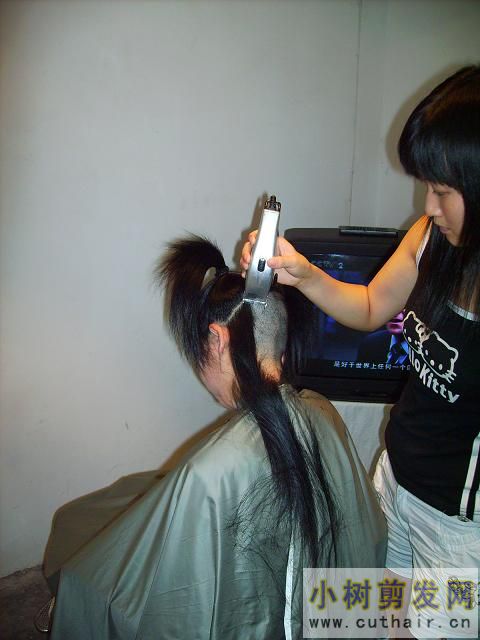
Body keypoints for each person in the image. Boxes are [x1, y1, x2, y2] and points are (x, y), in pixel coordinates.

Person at [40, 235, 386, 639]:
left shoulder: (210, 474)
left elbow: (176, 604)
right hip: (333, 611)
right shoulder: (323, 411)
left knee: (82, 556)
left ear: (218, 340)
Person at [242, 65, 480, 638]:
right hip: (394, 477)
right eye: (426, 186)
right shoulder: (429, 238)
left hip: (458, 529)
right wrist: (303, 274)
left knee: (422, 630)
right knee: (354, 614)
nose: (428, 205)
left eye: (443, 191)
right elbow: (373, 305)